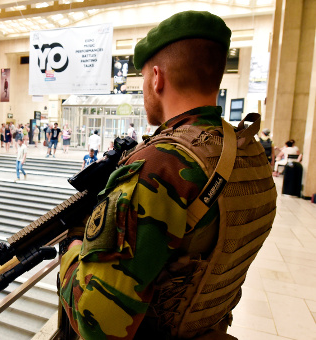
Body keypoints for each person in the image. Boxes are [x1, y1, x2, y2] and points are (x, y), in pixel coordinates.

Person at [59, 11, 276, 339]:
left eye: (143, 79)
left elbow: (97, 325)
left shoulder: (158, 166)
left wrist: (73, 253)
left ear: (157, 78)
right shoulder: (249, 148)